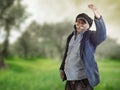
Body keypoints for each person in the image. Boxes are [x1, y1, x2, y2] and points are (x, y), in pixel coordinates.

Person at [59, 4, 106, 90]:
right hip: (70, 78)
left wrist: (96, 14)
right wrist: (62, 69)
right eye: (78, 22)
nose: (80, 24)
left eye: (83, 22)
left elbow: (102, 35)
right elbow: (67, 54)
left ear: (88, 26)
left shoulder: (90, 36)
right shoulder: (70, 37)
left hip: (83, 80)